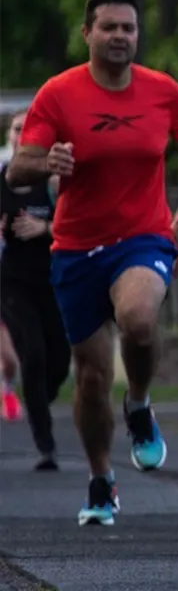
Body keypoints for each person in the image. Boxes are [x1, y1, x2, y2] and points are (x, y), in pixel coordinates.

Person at [5, 0, 178, 526]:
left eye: (129, 28)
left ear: (138, 35)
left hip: (143, 236)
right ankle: (101, 480)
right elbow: (17, 169)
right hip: (75, 247)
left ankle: (138, 402)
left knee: (138, 318)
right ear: (87, 33)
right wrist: (47, 161)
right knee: (91, 377)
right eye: (109, 27)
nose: (120, 36)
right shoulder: (58, 94)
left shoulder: (162, 91)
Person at [0, 110, 72, 468]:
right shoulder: (1, 181)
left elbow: (77, 224)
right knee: (34, 352)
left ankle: (39, 397)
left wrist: (44, 229)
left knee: (60, 359)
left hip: (52, 278)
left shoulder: (55, 183)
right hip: (13, 282)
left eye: (30, 129)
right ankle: (46, 445)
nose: (23, 135)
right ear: (10, 137)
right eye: (18, 129)